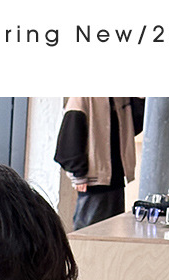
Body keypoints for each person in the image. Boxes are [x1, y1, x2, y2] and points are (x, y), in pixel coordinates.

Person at [55, 97, 145, 230]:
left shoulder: (120, 98)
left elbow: (132, 127)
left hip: (116, 179)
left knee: (109, 232)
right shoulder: (83, 98)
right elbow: (70, 135)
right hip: (94, 180)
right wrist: (78, 172)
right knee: (89, 233)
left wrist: (139, 100)